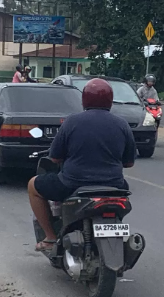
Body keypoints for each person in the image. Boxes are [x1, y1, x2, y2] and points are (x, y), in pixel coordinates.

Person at [28, 78, 136, 252]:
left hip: (73, 184)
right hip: (114, 185)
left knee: (33, 185)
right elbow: (129, 162)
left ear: (84, 100)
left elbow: (55, 158)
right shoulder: (122, 124)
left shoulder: (72, 122)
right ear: (110, 100)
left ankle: (50, 238)